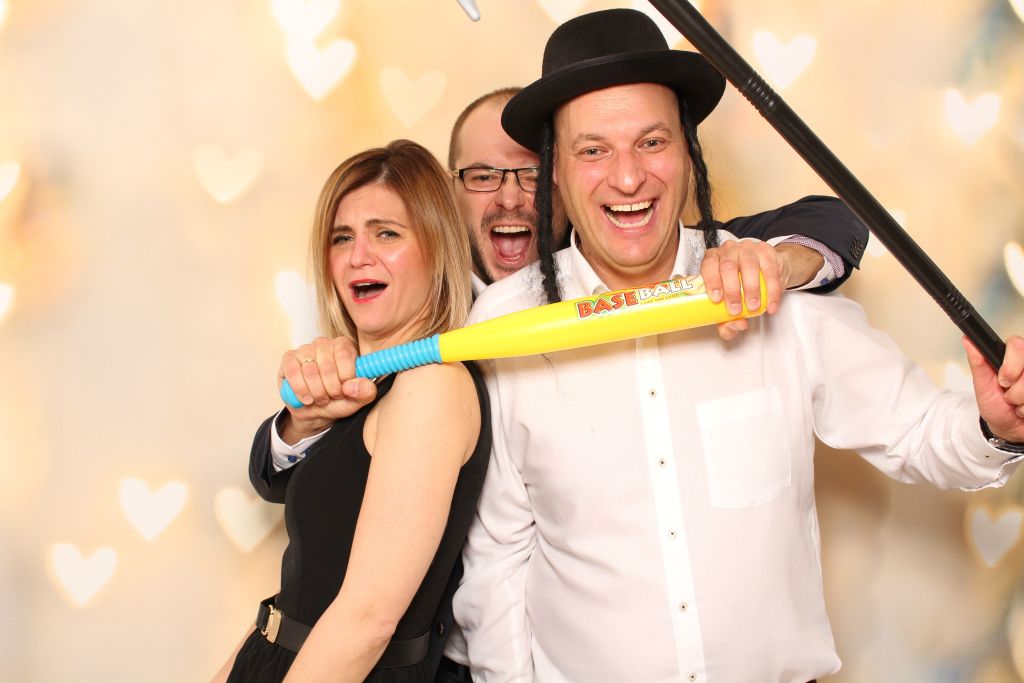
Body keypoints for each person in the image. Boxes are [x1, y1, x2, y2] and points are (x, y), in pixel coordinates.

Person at [454, 9, 1024, 682]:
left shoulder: (773, 285)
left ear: (689, 154)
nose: (628, 178)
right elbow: (496, 562)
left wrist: (996, 425)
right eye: (593, 150)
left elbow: (921, 431)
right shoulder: (503, 324)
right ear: (555, 171)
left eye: (652, 142)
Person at [211, 140, 491, 683]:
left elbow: (368, 620)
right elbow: (302, 591)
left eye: (386, 233)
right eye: (342, 238)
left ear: (436, 248)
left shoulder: (431, 386)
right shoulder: (366, 383)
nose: (359, 255)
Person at [446, 86, 871, 342]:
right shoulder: (426, 302)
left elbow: (831, 217)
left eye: (533, 175)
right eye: (482, 176)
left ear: (559, 180)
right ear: (450, 190)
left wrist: (779, 264)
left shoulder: (698, 255)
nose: (509, 199)